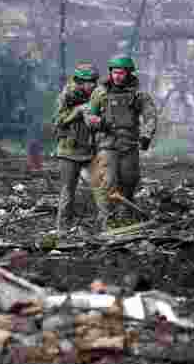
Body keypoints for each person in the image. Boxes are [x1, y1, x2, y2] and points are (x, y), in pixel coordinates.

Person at [86, 54, 157, 232]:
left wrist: (146, 136)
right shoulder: (99, 93)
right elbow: (89, 116)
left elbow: (150, 116)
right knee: (107, 183)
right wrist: (98, 122)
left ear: (128, 73)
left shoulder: (139, 95)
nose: (117, 76)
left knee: (129, 181)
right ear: (110, 73)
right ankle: (106, 221)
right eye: (114, 72)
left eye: (121, 73)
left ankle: (126, 219)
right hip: (107, 144)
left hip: (129, 145)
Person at [52, 62, 100, 233]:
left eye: (95, 81)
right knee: (67, 192)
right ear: (80, 81)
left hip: (90, 150)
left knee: (101, 190)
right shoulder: (66, 96)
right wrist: (77, 112)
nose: (93, 85)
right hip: (69, 151)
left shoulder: (97, 95)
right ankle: (63, 230)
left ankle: (104, 225)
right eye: (89, 82)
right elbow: (57, 121)